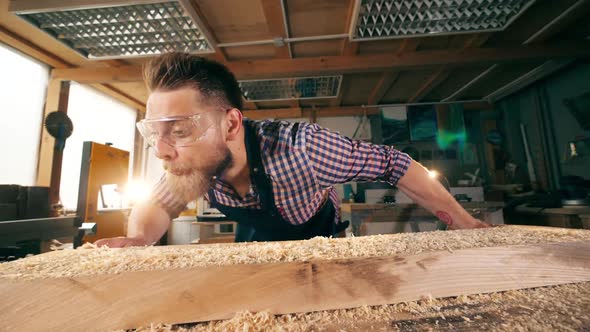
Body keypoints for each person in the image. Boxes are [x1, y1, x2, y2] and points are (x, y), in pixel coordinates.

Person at [95, 53, 488, 248]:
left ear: (231, 123)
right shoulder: (188, 164)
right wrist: (139, 241)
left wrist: (461, 221)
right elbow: (158, 204)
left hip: (319, 236)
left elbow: (395, 163)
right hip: (258, 239)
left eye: (179, 131)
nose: (163, 151)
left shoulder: (304, 148)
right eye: (155, 134)